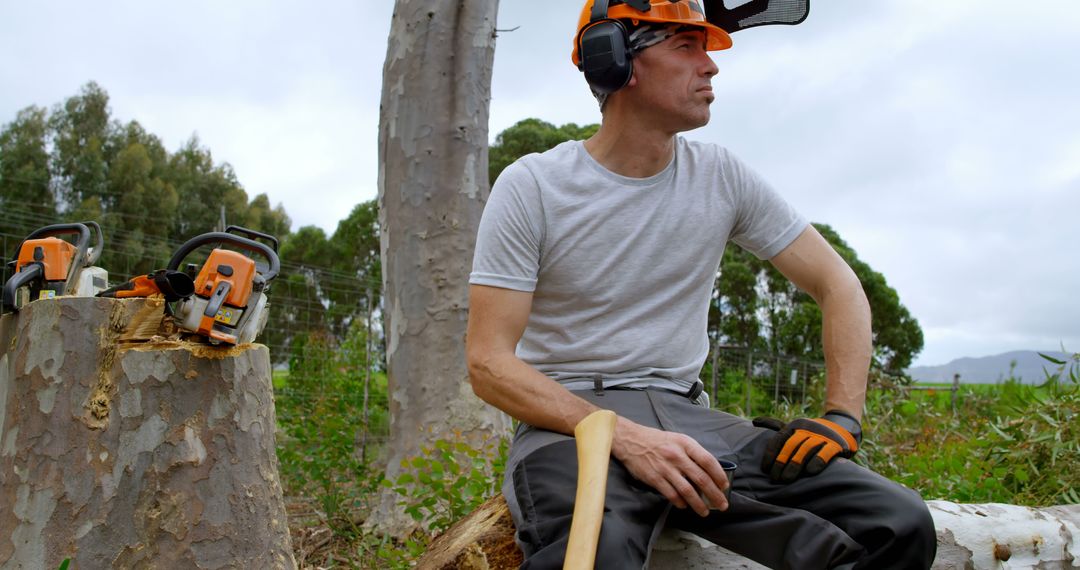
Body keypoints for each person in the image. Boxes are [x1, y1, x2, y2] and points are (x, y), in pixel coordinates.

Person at [465, 1, 937, 568]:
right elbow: (489, 363)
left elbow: (838, 284)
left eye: (706, 49)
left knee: (898, 525)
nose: (710, 66)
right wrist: (622, 436)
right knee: (594, 555)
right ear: (614, 61)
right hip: (572, 429)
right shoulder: (534, 186)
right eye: (686, 47)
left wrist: (842, 415)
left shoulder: (721, 176)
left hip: (693, 421)